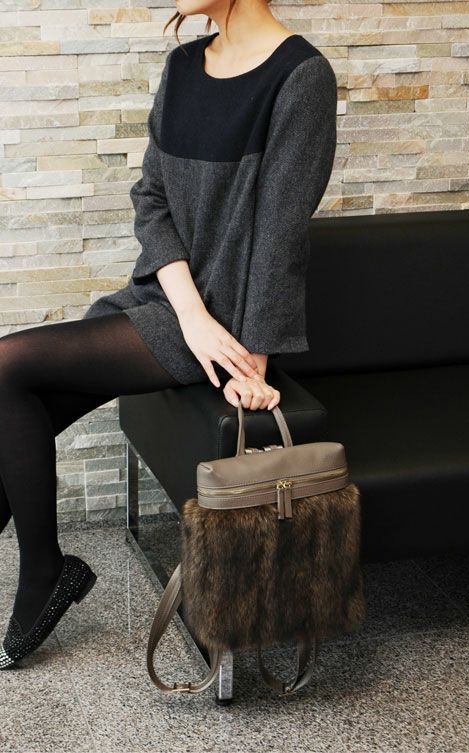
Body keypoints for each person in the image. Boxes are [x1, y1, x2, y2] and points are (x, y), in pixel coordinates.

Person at [0, 0, 338, 669]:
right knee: (18, 401)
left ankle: (45, 573)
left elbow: (280, 238)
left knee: (7, 367)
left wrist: (250, 361)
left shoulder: (301, 77)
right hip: (172, 303)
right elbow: (150, 198)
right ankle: (46, 568)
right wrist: (188, 312)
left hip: (226, 321)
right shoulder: (184, 65)